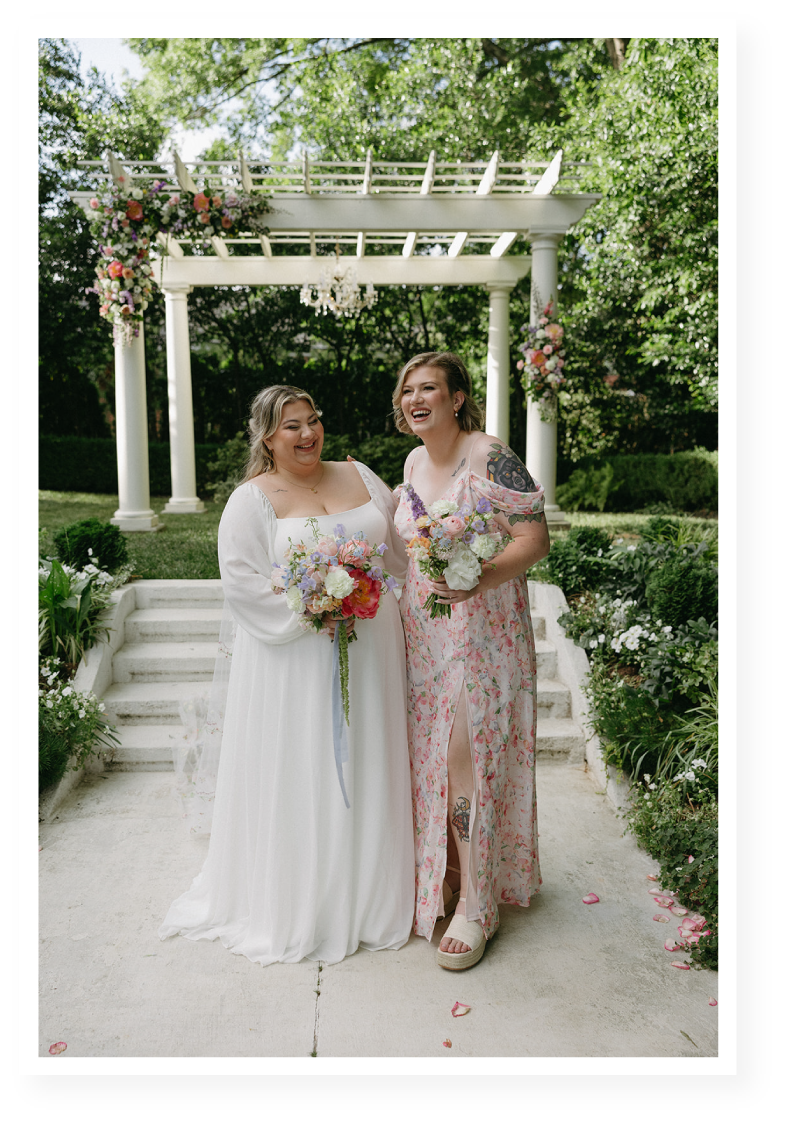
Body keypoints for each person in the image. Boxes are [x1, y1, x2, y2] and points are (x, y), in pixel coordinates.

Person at [159, 385, 415, 966]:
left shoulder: (361, 475)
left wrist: (372, 591)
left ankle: (371, 897)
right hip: (293, 661)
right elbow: (243, 585)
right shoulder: (252, 500)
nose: (307, 434)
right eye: (290, 426)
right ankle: (303, 901)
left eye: (313, 420)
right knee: (305, 766)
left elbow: (398, 557)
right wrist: (316, 607)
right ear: (267, 438)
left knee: (369, 758)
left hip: (371, 648)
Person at [392, 352, 550, 971]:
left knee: (467, 758)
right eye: (408, 390)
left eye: (428, 387)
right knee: (435, 760)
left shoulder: (490, 454)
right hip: (425, 636)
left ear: (457, 398)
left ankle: (480, 904)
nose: (415, 398)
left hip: (483, 635)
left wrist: (478, 579)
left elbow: (534, 539)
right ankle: (453, 873)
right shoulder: (411, 462)